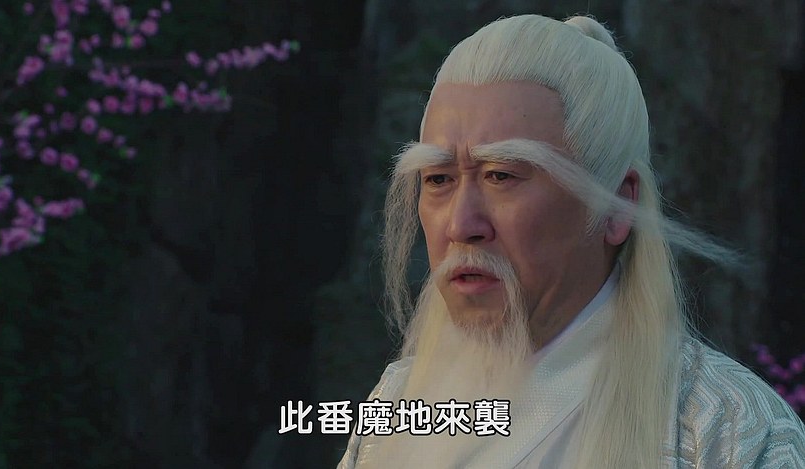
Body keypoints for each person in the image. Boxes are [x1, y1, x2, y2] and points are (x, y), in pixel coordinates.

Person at [337, 13, 805, 468]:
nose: (461, 225)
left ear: (616, 207)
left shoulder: (726, 428)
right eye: (438, 179)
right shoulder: (399, 401)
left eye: (501, 175)